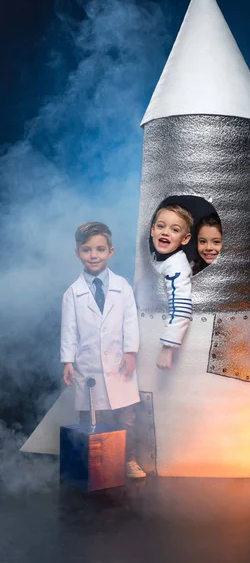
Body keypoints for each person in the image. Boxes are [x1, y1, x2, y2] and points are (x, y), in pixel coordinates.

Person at [61, 221, 146, 479]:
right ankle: (96, 464)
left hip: (120, 364)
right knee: (92, 416)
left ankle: (128, 461)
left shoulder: (123, 287)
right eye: (87, 250)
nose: (93, 255)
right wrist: (67, 361)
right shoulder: (72, 294)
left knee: (126, 416)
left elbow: (131, 322)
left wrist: (130, 353)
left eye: (100, 249)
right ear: (77, 253)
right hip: (87, 367)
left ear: (111, 251)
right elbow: (69, 330)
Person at [151, 204, 193, 371]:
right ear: (152, 230)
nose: (165, 232)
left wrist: (168, 348)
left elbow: (182, 307)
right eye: (161, 226)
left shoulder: (176, 265)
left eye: (174, 230)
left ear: (185, 239)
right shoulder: (155, 258)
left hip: (164, 342)